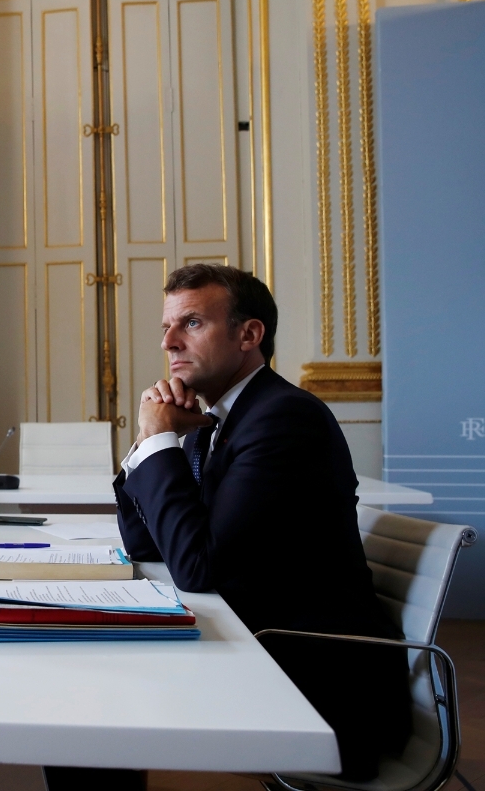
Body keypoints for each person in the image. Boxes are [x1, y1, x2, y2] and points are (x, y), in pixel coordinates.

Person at [111, 265, 410, 781]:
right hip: (261, 651)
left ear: (249, 335)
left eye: (191, 324)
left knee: (96, 696)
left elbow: (197, 567)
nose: (169, 342)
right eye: (166, 327)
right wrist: (151, 442)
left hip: (317, 686)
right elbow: (146, 544)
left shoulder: (283, 418)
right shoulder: (213, 426)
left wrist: (160, 441)